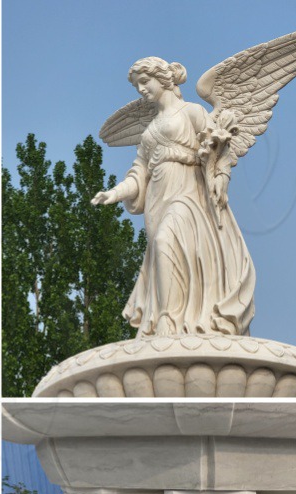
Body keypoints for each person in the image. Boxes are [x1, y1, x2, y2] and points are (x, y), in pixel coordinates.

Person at [92, 57, 255, 338]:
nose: (141, 89)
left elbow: (220, 150)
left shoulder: (191, 112)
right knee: (162, 250)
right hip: (157, 198)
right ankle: (176, 319)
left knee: (166, 240)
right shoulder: (149, 131)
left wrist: (221, 179)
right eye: (137, 85)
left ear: (163, 79)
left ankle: (169, 318)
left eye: (145, 82)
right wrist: (114, 194)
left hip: (188, 194)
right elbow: (138, 174)